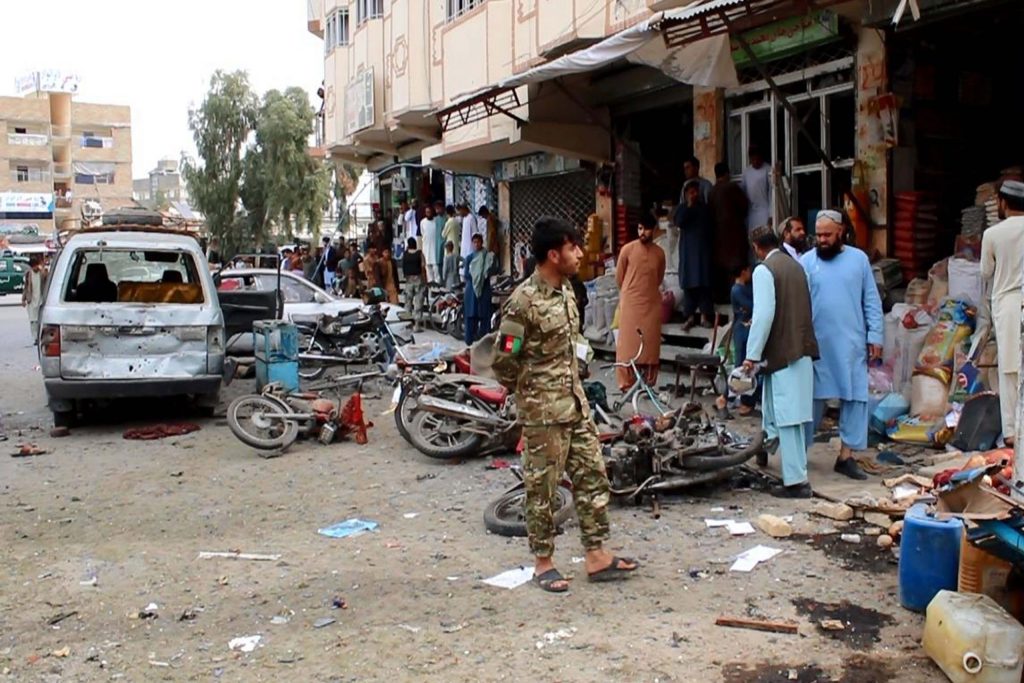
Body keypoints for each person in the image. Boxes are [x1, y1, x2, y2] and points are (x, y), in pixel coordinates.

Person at [492, 216, 639, 593]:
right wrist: (532, 392)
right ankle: (543, 563)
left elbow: (573, 341)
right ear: (553, 255)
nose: (580, 254)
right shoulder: (523, 302)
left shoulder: (568, 291)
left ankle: (597, 555)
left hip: (575, 406)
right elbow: (504, 360)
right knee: (542, 488)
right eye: (573, 248)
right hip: (544, 414)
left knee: (593, 476)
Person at [800, 210, 883, 480]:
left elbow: (871, 300)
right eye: (818, 235)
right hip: (816, 345)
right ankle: (798, 453)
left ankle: (846, 456)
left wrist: (875, 336)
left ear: (841, 232)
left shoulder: (859, 260)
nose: (822, 240)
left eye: (827, 234)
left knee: (855, 397)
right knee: (811, 400)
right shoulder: (806, 262)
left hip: (851, 343)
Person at [743, 226, 818, 498]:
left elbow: (763, 315)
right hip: (801, 350)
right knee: (791, 418)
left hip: (783, 354)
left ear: (756, 247)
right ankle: (790, 471)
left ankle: (796, 481)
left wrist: (751, 355)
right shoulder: (797, 267)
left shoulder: (765, 270)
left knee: (786, 418)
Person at [980, 179, 1024, 446]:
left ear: (1003, 203)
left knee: (1009, 369)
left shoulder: (993, 234)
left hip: (1008, 304)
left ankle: (1011, 432)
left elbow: (985, 271)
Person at [615, 213, 666, 391]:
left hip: (651, 303)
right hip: (631, 302)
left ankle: (648, 383)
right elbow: (619, 278)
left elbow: (659, 277)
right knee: (628, 344)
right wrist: (630, 292)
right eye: (640, 228)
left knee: (650, 344)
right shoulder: (627, 250)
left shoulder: (659, 253)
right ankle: (626, 383)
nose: (642, 232)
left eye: (646, 229)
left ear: (654, 230)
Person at [675, 178, 714, 330]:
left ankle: (704, 317)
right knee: (689, 284)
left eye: (696, 192)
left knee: (703, 284)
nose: (694, 195)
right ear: (685, 194)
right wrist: (689, 206)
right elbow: (679, 222)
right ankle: (690, 317)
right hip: (688, 251)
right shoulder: (682, 209)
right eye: (691, 192)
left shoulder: (704, 209)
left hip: (702, 251)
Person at [708, 162, 750, 298]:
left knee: (723, 269)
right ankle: (738, 296)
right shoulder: (732, 187)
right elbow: (744, 206)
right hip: (734, 235)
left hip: (718, 238)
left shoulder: (712, 191)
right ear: (727, 174)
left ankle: (723, 297)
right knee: (736, 268)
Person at [730, 264, 755, 416]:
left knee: (747, 366)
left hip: (746, 328)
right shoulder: (737, 290)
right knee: (742, 365)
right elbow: (750, 306)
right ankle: (740, 398)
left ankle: (742, 398)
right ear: (743, 272)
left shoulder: (744, 288)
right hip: (742, 329)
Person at [463, 233, 496, 345]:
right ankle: (469, 343)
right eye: (474, 242)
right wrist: (477, 276)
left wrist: (482, 276)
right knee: (470, 318)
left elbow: (492, 270)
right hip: (471, 292)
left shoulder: (488, 257)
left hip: (484, 291)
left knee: (485, 318)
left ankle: (485, 344)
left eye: (478, 242)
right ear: (472, 244)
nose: (476, 244)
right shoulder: (469, 258)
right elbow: (467, 275)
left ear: (482, 243)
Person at [742, 145, 772, 233]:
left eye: (757, 159)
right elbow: (743, 192)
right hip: (751, 213)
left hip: (764, 211)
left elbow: (771, 194)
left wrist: (771, 214)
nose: (755, 162)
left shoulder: (768, 169)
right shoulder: (747, 172)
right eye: (753, 159)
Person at [402, 238, 427, 331]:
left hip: (408, 280)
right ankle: (417, 325)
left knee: (407, 302)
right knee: (418, 301)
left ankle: (407, 323)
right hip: (418, 279)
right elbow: (423, 267)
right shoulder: (420, 254)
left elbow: (403, 267)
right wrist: (425, 280)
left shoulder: (405, 254)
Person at [22, 255, 45, 342]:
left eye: (36, 265)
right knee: (32, 320)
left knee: (40, 320)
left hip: (41, 300)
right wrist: (23, 299)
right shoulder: (28, 274)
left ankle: (40, 336)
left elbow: (47, 279)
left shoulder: (42, 273)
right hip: (31, 300)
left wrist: (42, 269)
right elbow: (25, 287)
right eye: (33, 266)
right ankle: (35, 338)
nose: (35, 268)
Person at [420, 205, 440, 284]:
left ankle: (438, 284)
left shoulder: (436, 221)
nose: (428, 213)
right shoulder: (423, 222)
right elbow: (423, 233)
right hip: (426, 248)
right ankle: (431, 284)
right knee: (428, 267)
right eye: (427, 212)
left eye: (429, 212)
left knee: (436, 268)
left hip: (435, 249)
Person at [433, 200, 447, 267]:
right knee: (439, 263)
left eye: (438, 208)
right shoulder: (436, 219)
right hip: (438, 243)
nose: (437, 210)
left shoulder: (447, 218)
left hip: (445, 243)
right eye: (436, 209)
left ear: (443, 208)